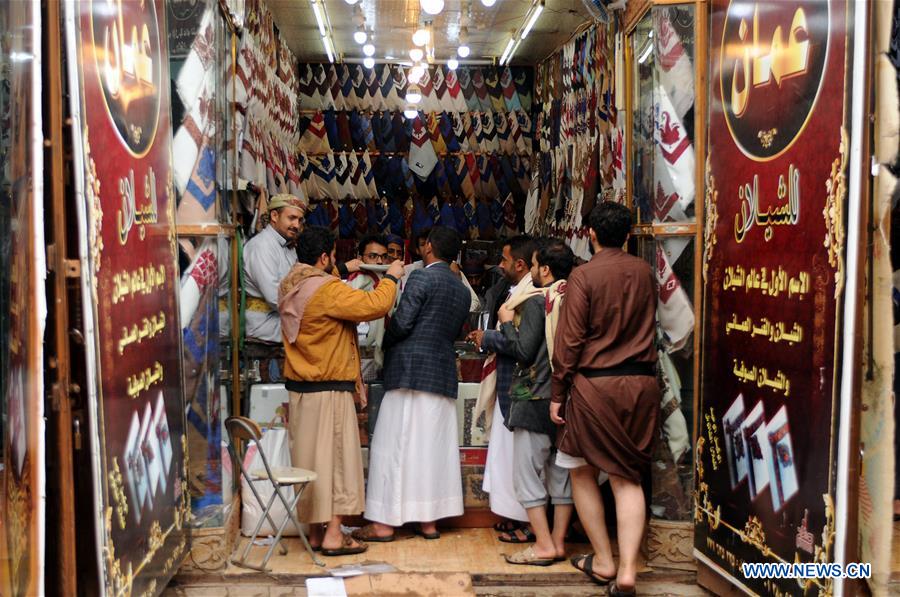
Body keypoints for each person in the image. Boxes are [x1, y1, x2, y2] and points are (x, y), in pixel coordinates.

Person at [551, 202, 660, 595]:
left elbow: (570, 341)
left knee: (580, 470)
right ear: (628, 236)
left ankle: (603, 560)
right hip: (641, 384)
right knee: (626, 476)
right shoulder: (645, 272)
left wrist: (557, 392)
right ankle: (629, 570)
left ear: (591, 234)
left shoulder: (584, 275)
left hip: (595, 387)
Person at [278, 226, 404, 556]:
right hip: (329, 390)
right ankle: (334, 535)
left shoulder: (291, 283)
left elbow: (323, 280)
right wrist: (390, 276)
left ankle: (317, 534)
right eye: (331, 256)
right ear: (323, 257)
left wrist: (346, 268)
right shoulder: (328, 291)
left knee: (310, 465)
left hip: (301, 390)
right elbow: (374, 305)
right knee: (336, 464)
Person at [354, 227, 472, 542]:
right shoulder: (460, 288)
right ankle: (429, 522)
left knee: (396, 446)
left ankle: (384, 525)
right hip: (441, 371)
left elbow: (403, 322)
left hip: (409, 370)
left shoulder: (421, 278)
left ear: (429, 247)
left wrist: (386, 344)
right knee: (432, 449)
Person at [499, 238, 576, 566]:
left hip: (534, 399)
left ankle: (543, 544)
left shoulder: (534, 302)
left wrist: (505, 320)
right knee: (562, 475)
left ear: (544, 269)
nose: (530, 273)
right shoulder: (574, 298)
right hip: (567, 401)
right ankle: (558, 542)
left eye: (532, 266)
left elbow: (523, 350)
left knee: (528, 477)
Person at [470, 235, 538, 540]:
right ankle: (514, 515)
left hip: (523, 386)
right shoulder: (516, 292)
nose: (500, 265)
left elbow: (524, 343)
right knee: (507, 456)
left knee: (520, 460)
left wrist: (488, 337)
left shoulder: (532, 295)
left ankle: (528, 523)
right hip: (511, 386)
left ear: (520, 264)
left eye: (504, 260)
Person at [243, 194, 306, 343]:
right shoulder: (261, 246)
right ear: (274, 216)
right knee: (319, 329)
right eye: (291, 218)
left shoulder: (287, 246)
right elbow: (275, 297)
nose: (296, 225)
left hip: (280, 318)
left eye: (299, 220)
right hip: (263, 324)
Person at [403, 227, 481, 312]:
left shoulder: (453, 270)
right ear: (417, 250)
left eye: (429, 244)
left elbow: (475, 303)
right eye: (422, 244)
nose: (427, 247)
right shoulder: (409, 271)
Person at [346, 234, 390, 381]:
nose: (379, 261)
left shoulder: (389, 280)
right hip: (362, 349)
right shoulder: (355, 281)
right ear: (360, 257)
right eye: (373, 256)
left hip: (384, 350)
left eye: (383, 257)